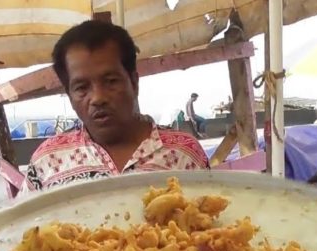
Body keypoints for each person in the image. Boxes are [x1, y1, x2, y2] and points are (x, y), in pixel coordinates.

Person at [25, 20, 208, 190]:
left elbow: (211, 219)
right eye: (82, 88)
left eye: (111, 81)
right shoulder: (47, 161)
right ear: (70, 95)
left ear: (134, 83)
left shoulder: (185, 155)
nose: (98, 98)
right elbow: (25, 224)